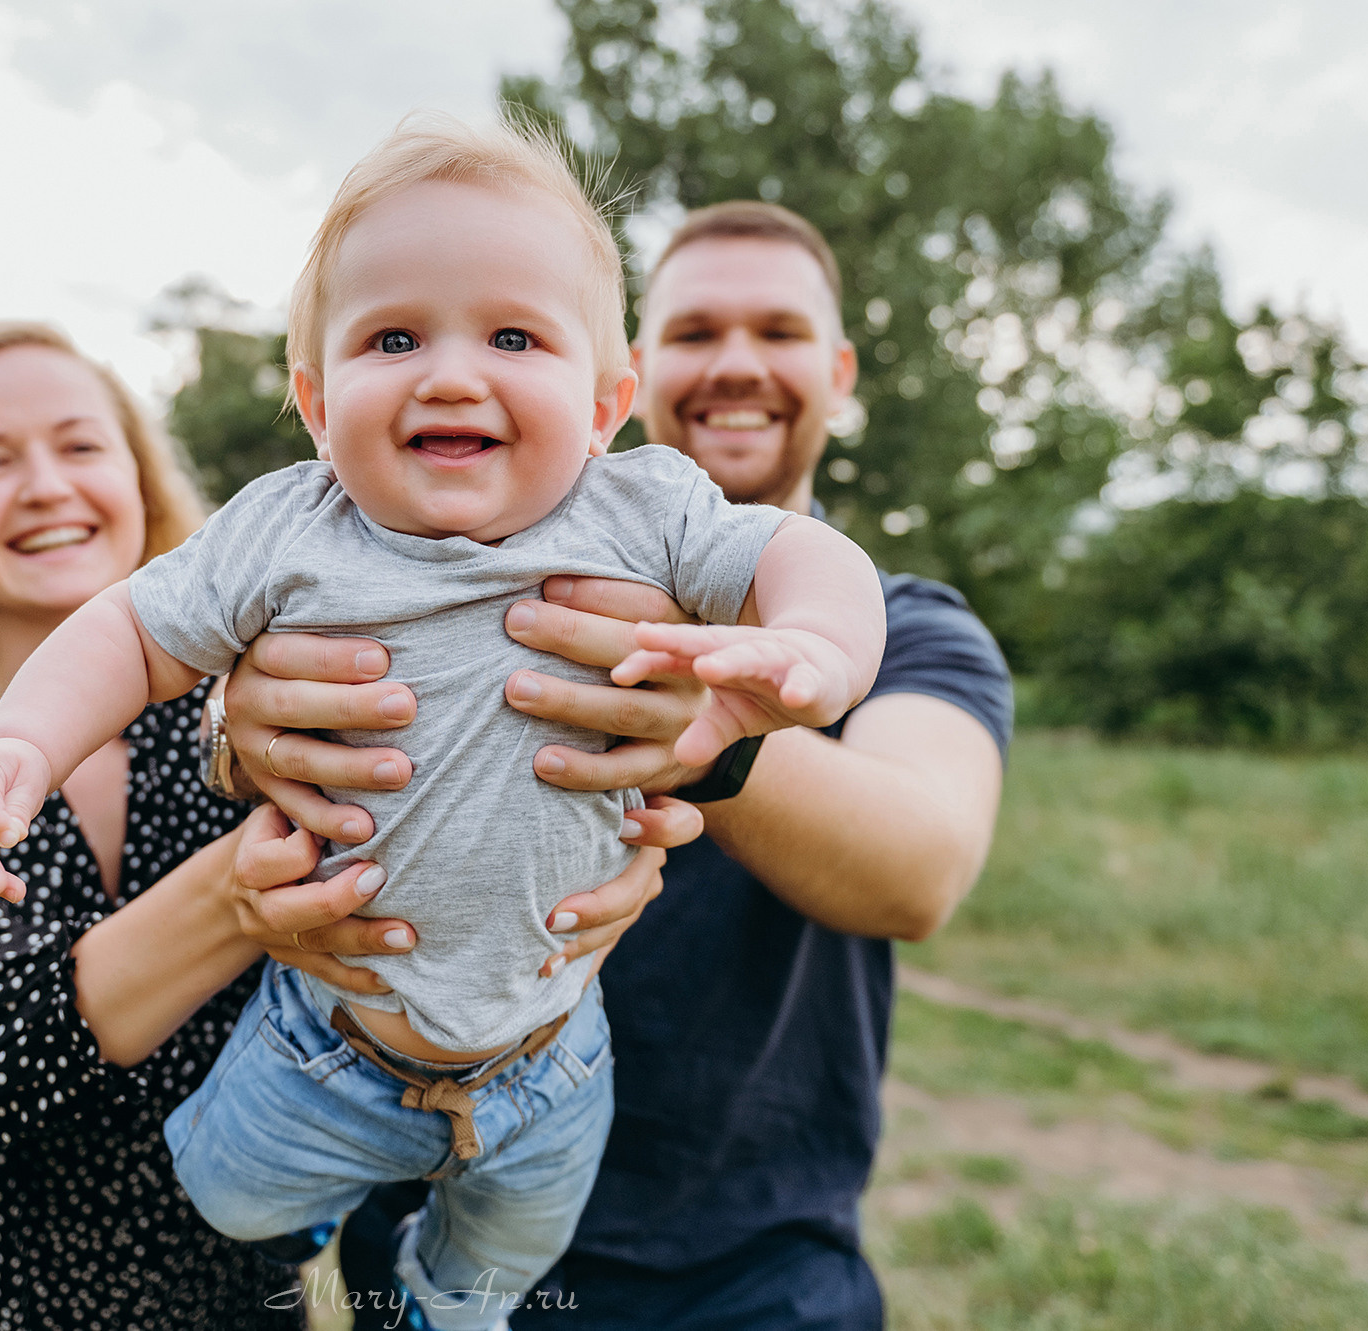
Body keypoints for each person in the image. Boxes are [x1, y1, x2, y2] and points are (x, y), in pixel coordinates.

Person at [0, 123, 886, 1331]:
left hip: (551, 1047)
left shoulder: (644, 512)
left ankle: (442, 1300)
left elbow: (803, 552)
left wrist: (816, 646)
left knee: (506, 1256)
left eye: (512, 337)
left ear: (605, 403)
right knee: (227, 1193)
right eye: (393, 338)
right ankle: (323, 1203)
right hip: (331, 1036)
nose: (448, 375)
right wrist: (17, 746)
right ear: (315, 401)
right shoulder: (288, 530)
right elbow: (128, 630)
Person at [229, 200, 1014, 1329]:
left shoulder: (908, 626)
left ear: (838, 373)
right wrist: (233, 730)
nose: (735, 362)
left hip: (750, 1270)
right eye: (696, 331)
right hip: (431, 1230)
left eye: (778, 331)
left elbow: (919, 869)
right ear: (628, 377)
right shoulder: (411, 558)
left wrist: (698, 731)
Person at [0, 321, 441, 1328]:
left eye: (79, 445)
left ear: (138, 485)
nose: (45, 486)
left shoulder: (270, 716)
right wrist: (230, 898)